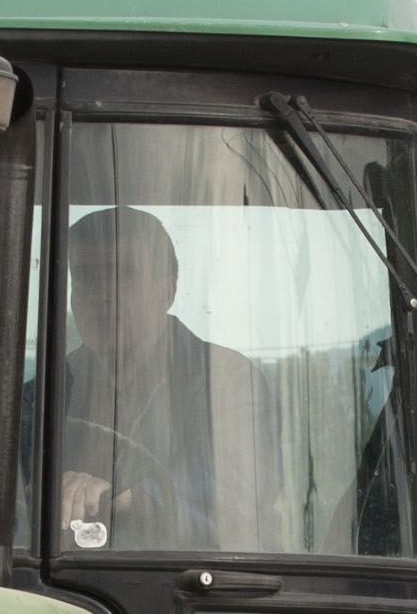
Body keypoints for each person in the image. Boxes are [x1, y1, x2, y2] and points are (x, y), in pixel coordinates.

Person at [56, 205, 270, 550]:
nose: (101, 293)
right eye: (85, 276)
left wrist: (130, 499)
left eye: (123, 274)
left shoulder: (225, 382)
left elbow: (236, 506)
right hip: (62, 590)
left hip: (191, 588)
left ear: (166, 293)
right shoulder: (48, 390)